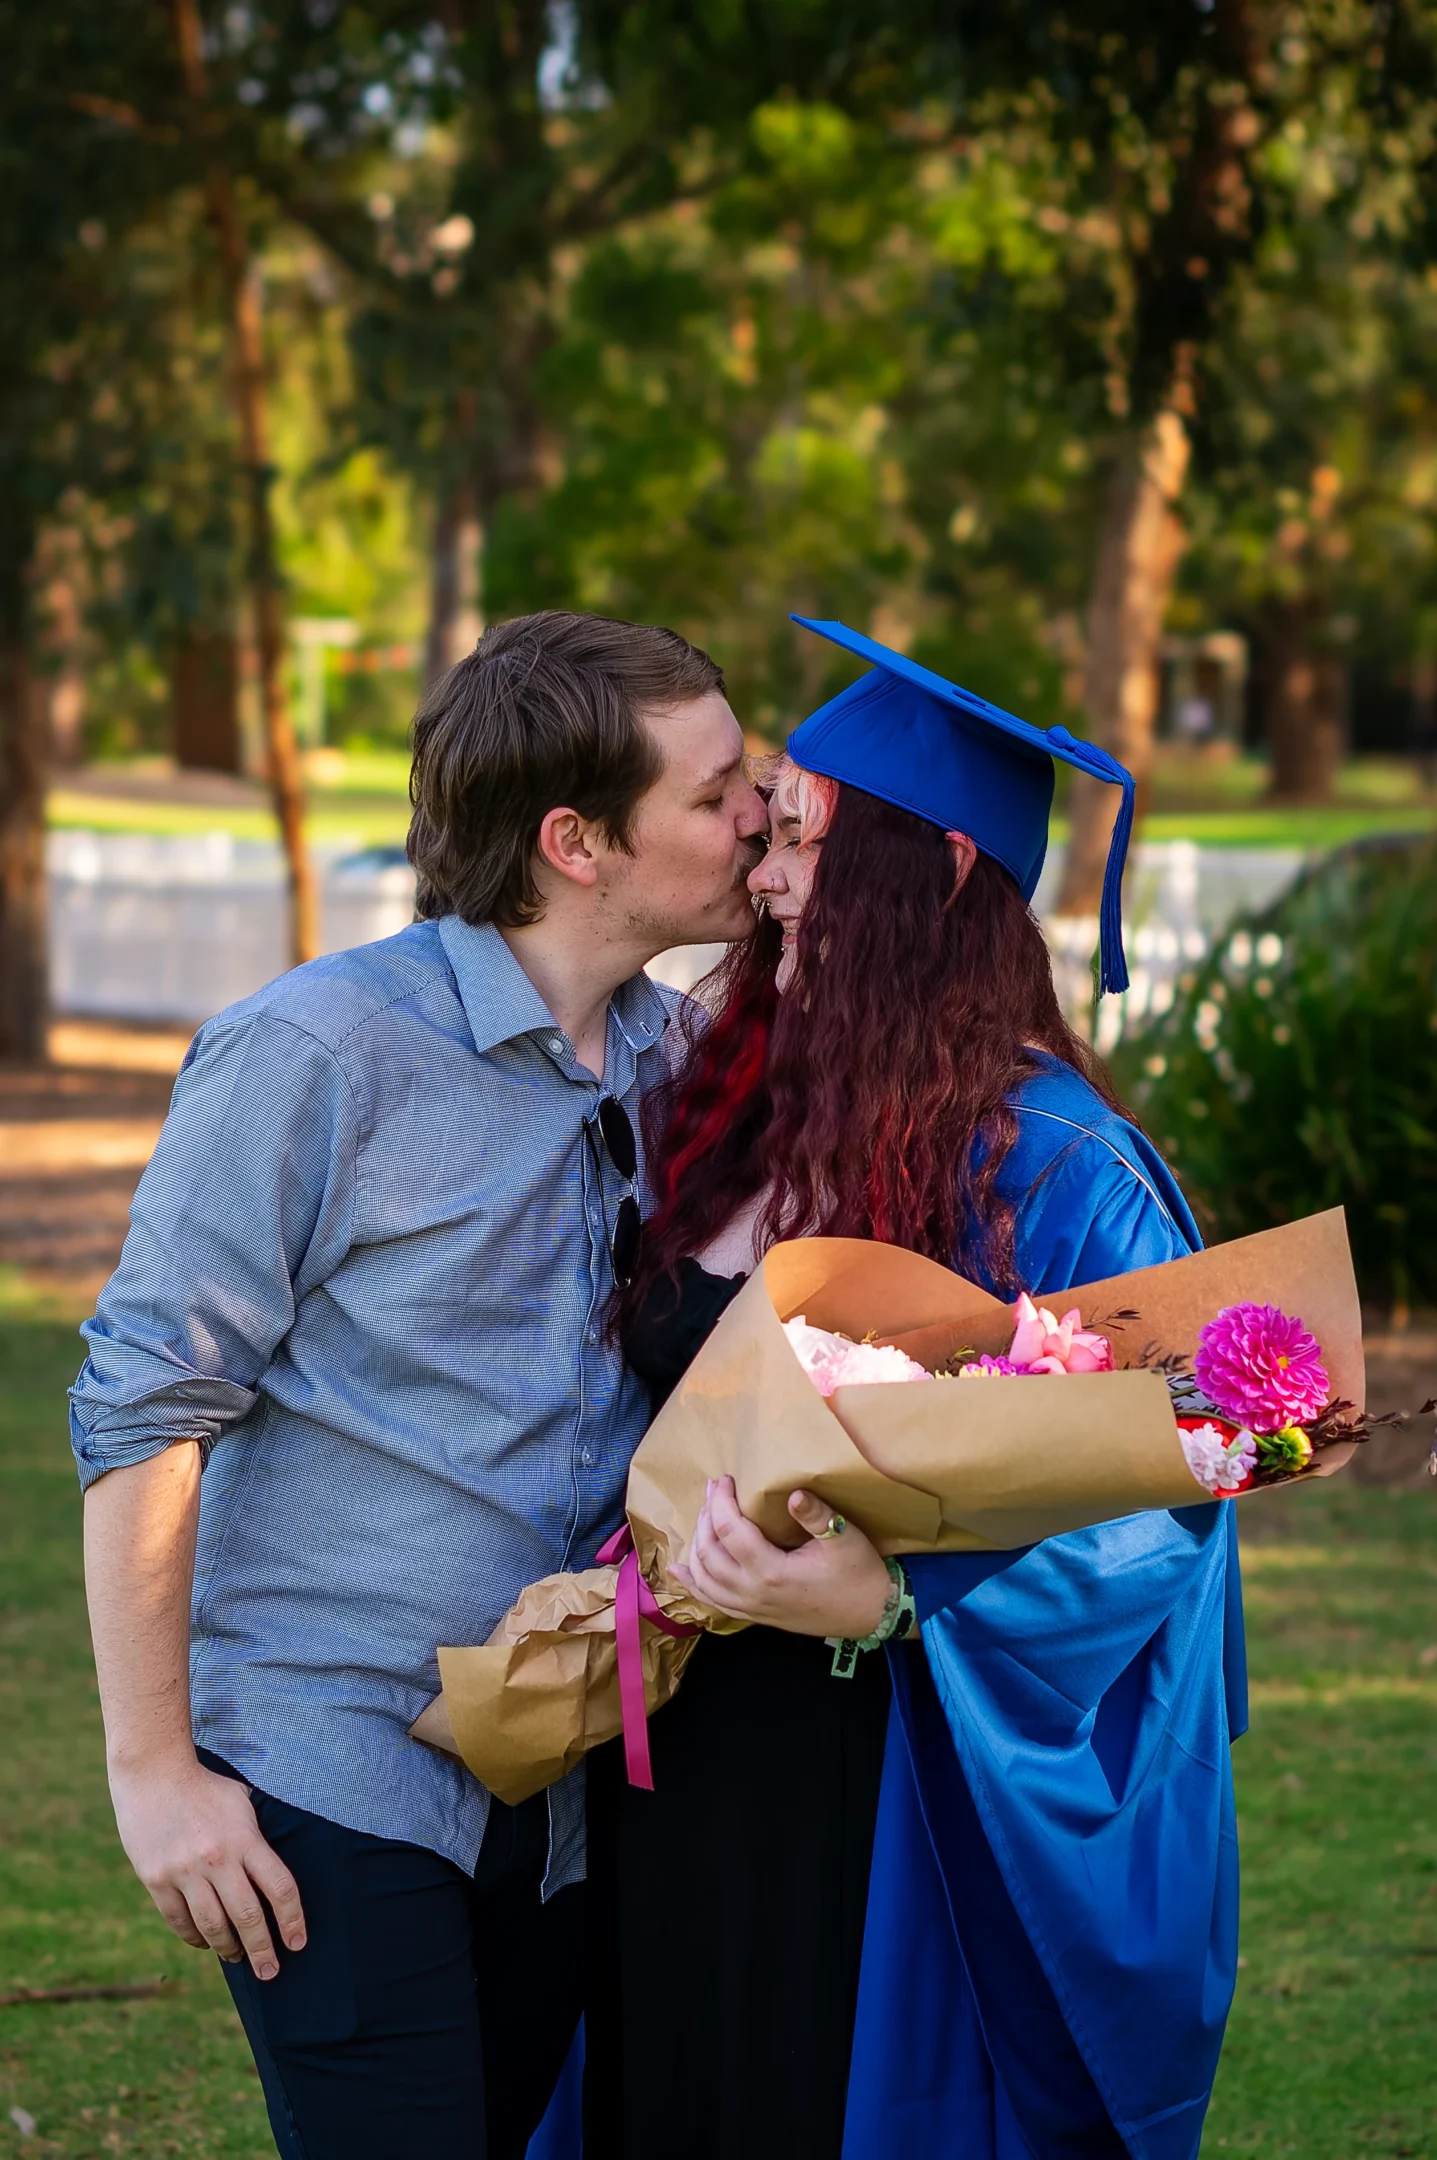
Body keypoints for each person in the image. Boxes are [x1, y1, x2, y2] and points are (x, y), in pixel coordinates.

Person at [69, 610, 769, 2160]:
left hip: (561, 1770)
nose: (757, 816)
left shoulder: (678, 1062)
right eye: (716, 793)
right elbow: (143, 1403)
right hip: (336, 1766)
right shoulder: (316, 1052)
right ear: (577, 842)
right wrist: (155, 1775)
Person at [581, 619, 1246, 2160]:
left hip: (896, 1810)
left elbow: (1167, 1510)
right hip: (680, 1760)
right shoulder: (735, 1102)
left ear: (938, 871)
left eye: (804, 834)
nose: (767, 873)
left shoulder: (1063, 1171)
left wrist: (886, 1600)